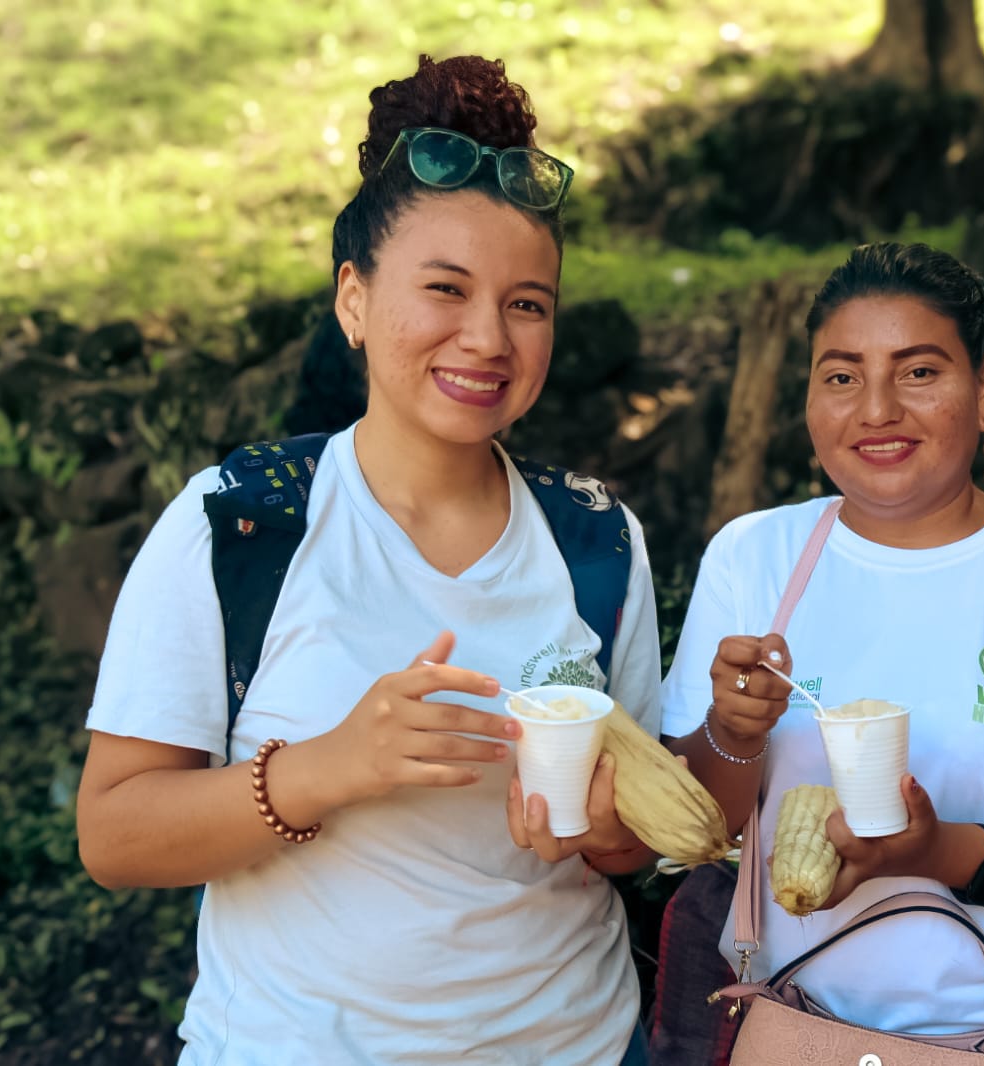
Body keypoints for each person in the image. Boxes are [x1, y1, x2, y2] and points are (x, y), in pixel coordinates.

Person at [76, 55, 661, 1065]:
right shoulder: (243, 523)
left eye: (528, 303)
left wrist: (607, 830)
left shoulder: (596, 537)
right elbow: (115, 834)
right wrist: (329, 769)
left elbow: (636, 841)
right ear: (353, 299)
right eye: (445, 288)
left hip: (578, 1042)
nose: (486, 337)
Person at [659, 242, 984, 1065]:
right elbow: (700, 824)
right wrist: (735, 731)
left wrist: (939, 852)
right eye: (840, 376)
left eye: (916, 373)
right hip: (792, 1030)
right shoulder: (754, 557)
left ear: (983, 390)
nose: (875, 410)